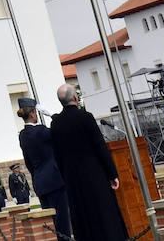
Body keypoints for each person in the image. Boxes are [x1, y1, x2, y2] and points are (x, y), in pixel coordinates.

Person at [49, 83, 127, 241]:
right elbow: (100, 147)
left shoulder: (55, 123)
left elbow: (57, 155)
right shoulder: (85, 117)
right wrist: (112, 173)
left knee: (82, 219)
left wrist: (66, 177)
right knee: (103, 216)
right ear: (76, 98)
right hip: (94, 176)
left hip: (72, 180)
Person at [17, 97, 71, 241]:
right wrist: (53, 115)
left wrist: (37, 176)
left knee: (50, 224)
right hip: (55, 180)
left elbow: (28, 162)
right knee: (62, 224)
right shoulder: (41, 131)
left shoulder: (22, 135)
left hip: (40, 182)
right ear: (34, 113)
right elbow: (63, 129)